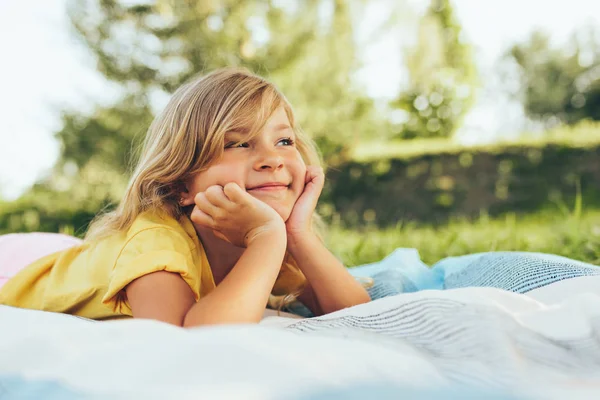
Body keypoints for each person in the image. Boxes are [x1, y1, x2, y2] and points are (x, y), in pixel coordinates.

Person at [0, 67, 371, 327]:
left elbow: (357, 314)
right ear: (180, 185)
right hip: (16, 281)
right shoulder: (157, 242)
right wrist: (267, 239)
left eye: (284, 141)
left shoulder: (273, 238)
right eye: (237, 143)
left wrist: (296, 233)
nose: (273, 159)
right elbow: (184, 339)